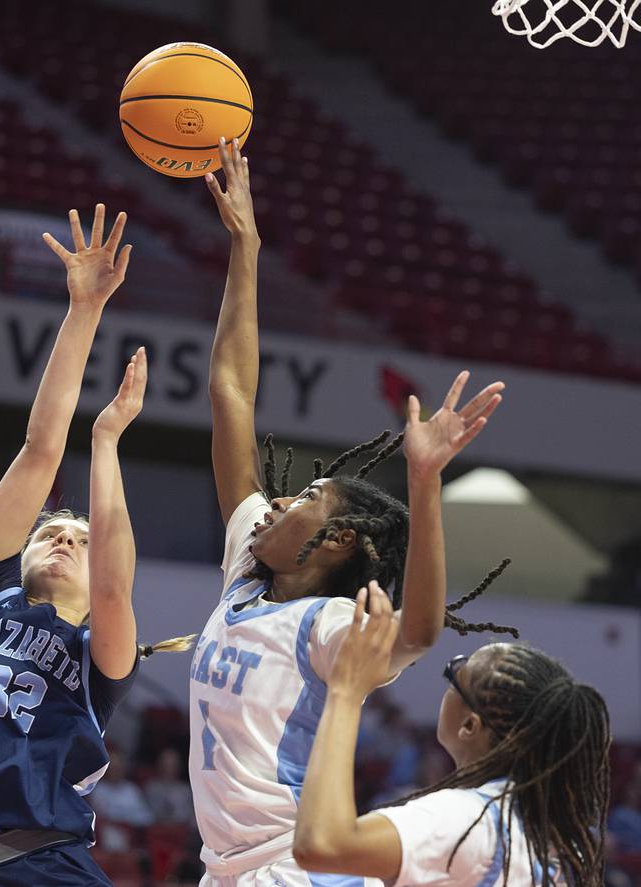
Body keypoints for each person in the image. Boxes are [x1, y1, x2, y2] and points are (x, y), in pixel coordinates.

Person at [190, 136, 512, 885]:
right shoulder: (246, 568)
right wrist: (246, 246)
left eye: (301, 496)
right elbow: (231, 394)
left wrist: (424, 482)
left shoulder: (331, 630)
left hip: (295, 868)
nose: (271, 500)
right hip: (228, 870)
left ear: (337, 539)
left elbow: (424, 630)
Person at [0, 205, 189, 886]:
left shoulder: (102, 659)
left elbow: (118, 586)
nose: (63, 537)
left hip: (42, 865)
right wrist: (84, 310)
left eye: (81, 539)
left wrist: (108, 441)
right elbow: (37, 453)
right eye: (53, 532)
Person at [294, 584, 610, 887]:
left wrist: (346, 690)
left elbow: (324, 846)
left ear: (469, 726)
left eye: (456, 672)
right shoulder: (552, 835)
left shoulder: (468, 820)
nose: (451, 670)